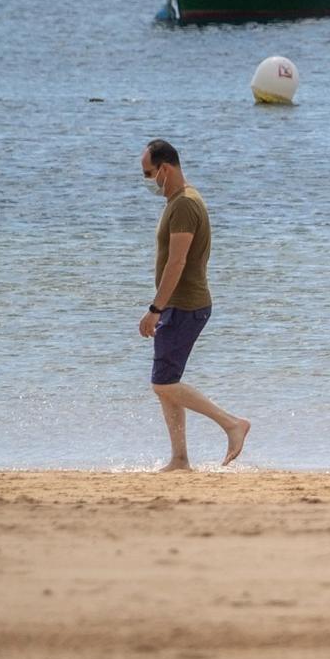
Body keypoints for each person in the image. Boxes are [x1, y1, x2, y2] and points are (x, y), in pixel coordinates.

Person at [137, 139, 250, 470]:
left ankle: (232, 424)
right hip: (178, 305)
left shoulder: (185, 204)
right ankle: (180, 459)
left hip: (185, 305)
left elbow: (177, 262)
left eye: (148, 174)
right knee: (166, 383)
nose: (146, 181)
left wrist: (155, 309)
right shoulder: (178, 201)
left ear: (165, 169)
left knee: (163, 383)